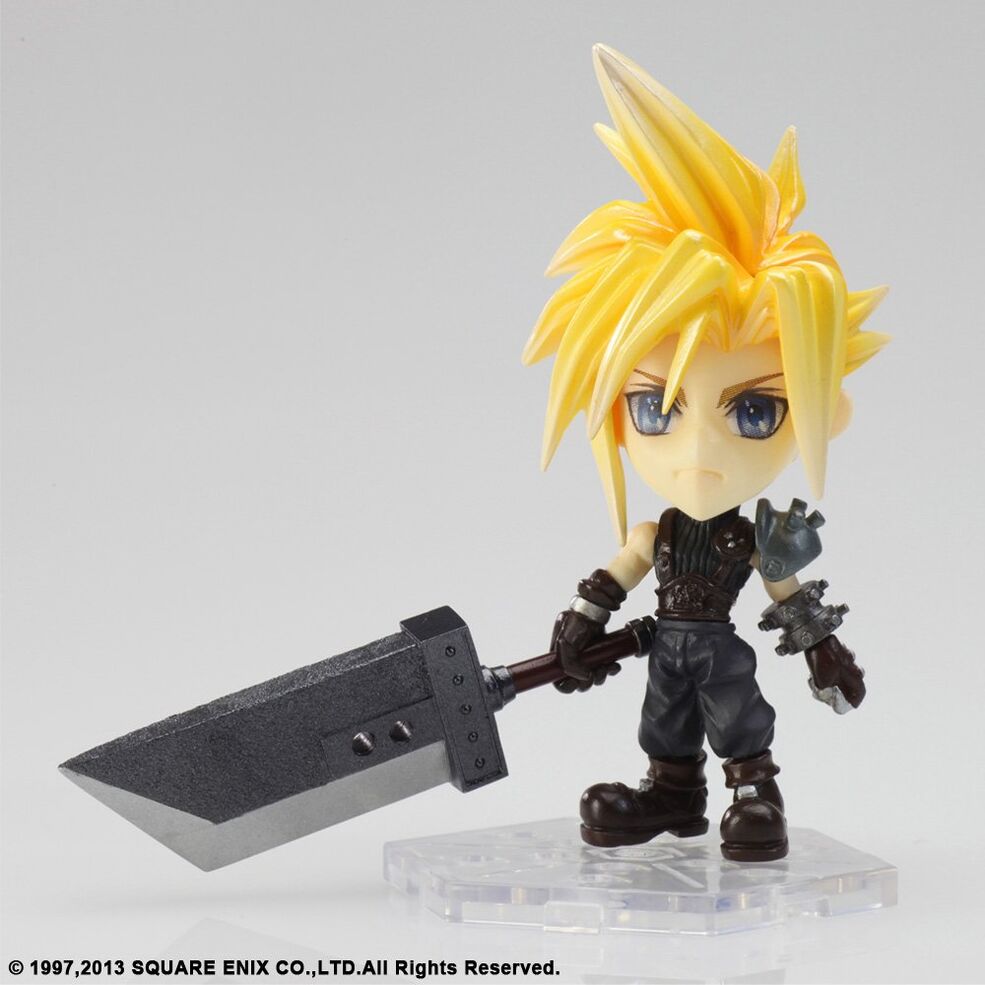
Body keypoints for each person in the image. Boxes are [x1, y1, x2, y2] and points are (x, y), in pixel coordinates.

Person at [523, 45, 888, 862]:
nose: (695, 453)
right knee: (663, 719)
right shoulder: (651, 535)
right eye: (654, 407)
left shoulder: (755, 538)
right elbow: (609, 579)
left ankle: (753, 792)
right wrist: (577, 628)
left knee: (735, 714)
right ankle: (671, 793)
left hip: (716, 644)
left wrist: (824, 649)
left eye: (754, 410)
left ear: (823, 413)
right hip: (663, 645)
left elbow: (790, 598)